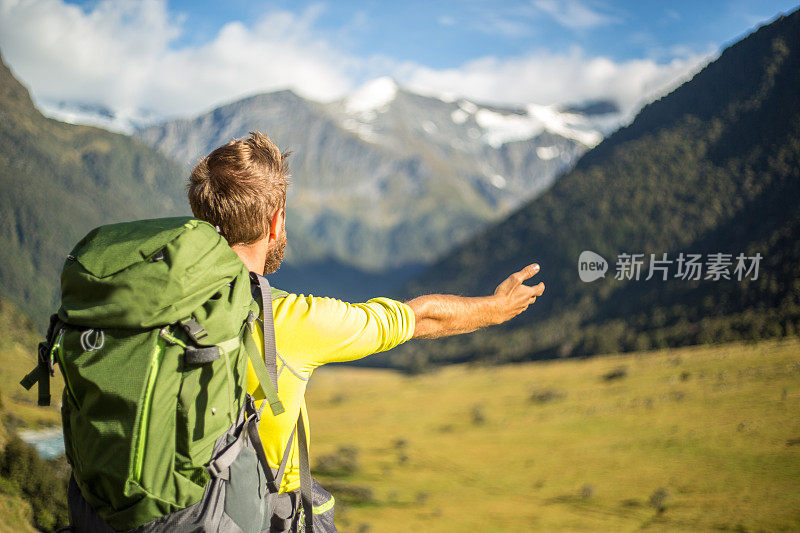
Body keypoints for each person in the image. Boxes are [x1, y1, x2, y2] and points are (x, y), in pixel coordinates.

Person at [187, 131, 545, 530]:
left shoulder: (147, 306)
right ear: (276, 223)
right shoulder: (290, 321)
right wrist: (496, 309)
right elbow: (419, 317)